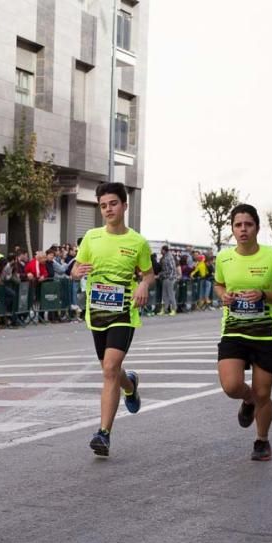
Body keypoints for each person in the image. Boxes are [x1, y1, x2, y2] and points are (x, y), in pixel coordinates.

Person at [69, 183, 154, 456]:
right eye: (103, 205)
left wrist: (143, 285)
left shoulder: (137, 241)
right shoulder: (91, 237)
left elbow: (148, 273)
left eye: (113, 204)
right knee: (113, 371)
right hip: (96, 313)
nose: (108, 209)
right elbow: (75, 270)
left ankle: (103, 434)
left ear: (124, 206)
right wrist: (77, 271)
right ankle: (129, 385)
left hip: (123, 312)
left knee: (108, 368)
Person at [213, 204, 272, 461]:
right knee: (231, 385)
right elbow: (219, 284)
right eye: (238, 225)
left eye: (248, 224)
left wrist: (263, 295)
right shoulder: (224, 258)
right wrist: (223, 295)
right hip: (234, 330)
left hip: (266, 334)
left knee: (263, 393)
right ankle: (247, 401)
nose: (243, 229)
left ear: (257, 227)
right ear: (233, 229)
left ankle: (262, 440)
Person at [159, 245, 178, 316]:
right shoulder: (165, 257)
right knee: (164, 295)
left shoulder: (169, 257)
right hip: (165, 278)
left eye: (161, 250)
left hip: (169, 278)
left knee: (171, 294)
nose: (160, 251)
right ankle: (165, 309)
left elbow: (172, 268)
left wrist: (171, 278)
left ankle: (173, 309)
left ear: (164, 250)